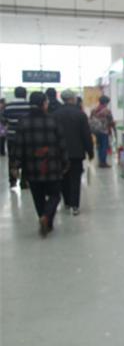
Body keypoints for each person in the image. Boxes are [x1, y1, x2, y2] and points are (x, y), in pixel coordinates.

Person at [11, 92, 68, 237]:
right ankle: (47, 217)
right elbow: (62, 143)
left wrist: (15, 165)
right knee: (55, 195)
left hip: (32, 167)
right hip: (52, 165)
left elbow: (18, 146)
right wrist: (65, 161)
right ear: (44, 104)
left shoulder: (23, 122)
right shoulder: (53, 120)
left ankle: (44, 219)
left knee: (38, 196)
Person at [53, 89, 94, 215]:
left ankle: (67, 202)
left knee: (63, 177)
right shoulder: (80, 114)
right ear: (72, 99)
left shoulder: (55, 114)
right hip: (77, 152)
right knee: (75, 178)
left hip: (60, 152)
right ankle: (75, 205)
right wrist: (90, 151)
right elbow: (86, 135)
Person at [4, 86, 32, 188]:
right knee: (27, 159)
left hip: (12, 137)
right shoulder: (29, 106)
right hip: (26, 137)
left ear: (15, 94)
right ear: (25, 94)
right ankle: (24, 182)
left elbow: (4, 120)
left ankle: (12, 181)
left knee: (12, 159)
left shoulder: (8, 106)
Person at [89, 95, 115, 168]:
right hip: (104, 130)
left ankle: (100, 161)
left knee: (99, 146)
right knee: (104, 146)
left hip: (96, 130)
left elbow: (90, 119)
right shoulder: (107, 111)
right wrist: (113, 126)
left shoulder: (94, 110)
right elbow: (111, 121)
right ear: (106, 102)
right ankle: (103, 162)